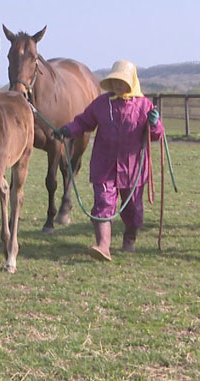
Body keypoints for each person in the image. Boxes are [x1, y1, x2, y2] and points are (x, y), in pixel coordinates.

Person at [54, 60, 163, 261]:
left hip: (133, 168)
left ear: (132, 82)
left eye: (123, 82)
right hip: (104, 165)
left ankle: (129, 239)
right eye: (115, 81)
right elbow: (83, 122)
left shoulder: (144, 105)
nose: (119, 86)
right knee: (103, 203)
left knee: (133, 208)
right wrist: (68, 130)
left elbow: (156, 135)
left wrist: (154, 124)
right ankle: (103, 246)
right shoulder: (101, 104)